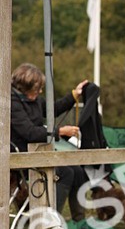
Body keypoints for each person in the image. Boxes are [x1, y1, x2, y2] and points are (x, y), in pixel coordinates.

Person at [10, 62, 90, 218]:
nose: (40, 91)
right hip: (19, 157)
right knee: (65, 172)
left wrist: (74, 95)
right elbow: (30, 133)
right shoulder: (12, 103)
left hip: (37, 152)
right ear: (24, 88)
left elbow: (53, 109)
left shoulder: (33, 99)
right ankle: (49, 220)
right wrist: (59, 131)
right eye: (37, 89)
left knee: (78, 171)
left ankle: (79, 220)